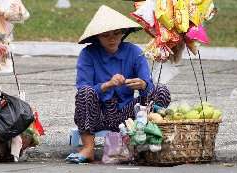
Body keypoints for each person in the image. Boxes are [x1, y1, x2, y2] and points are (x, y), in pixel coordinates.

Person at [65, 5, 171, 163]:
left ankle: (146, 141)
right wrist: (107, 85)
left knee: (161, 90)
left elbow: (148, 87)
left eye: (116, 33)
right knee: (85, 93)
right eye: (105, 35)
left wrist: (142, 85)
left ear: (123, 32)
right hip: (98, 115)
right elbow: (83, 88)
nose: (112, 39)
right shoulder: (88, 54)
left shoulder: (134, 51)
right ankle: (88, 148)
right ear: (97, 37)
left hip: (129, 115)